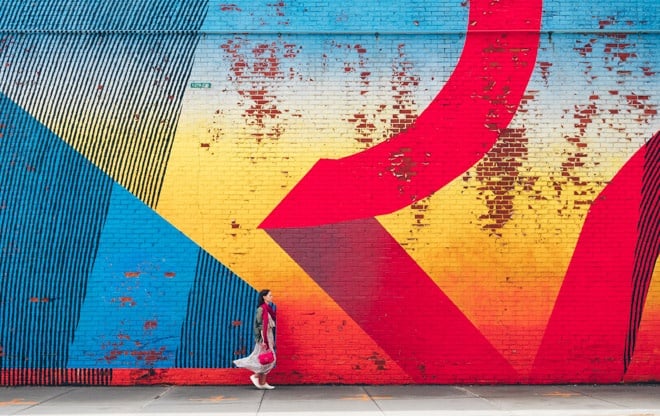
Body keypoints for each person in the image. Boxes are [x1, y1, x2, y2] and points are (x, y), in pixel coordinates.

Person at [233, 289, 277, 389]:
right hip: (263, 338)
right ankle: (256, 376)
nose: (272, 297)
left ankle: (262, 383)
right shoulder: (261, 309)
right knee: (268, 359)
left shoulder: (268, 308)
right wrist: (261, 340)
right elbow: (257, 325)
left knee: (267, 359)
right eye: (270, 295)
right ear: (264, 297)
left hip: (269, 336)